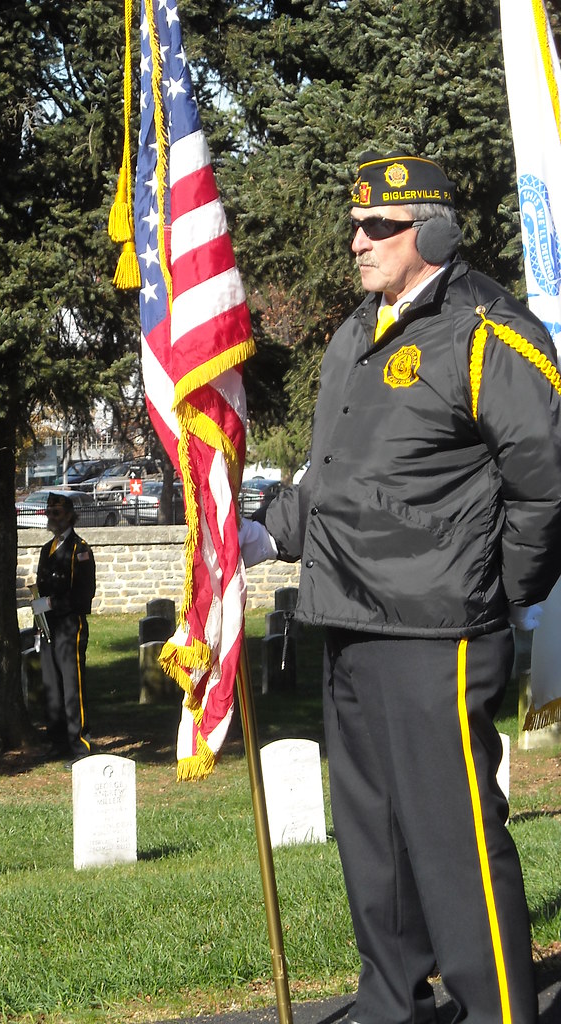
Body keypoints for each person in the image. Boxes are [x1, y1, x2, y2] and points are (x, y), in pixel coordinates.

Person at [240, 152, 561, 1024]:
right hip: (346, 618)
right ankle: (393, 1002)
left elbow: (545, 480)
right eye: (355, 224)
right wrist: (269, 531)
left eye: (379, 226)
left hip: (439, 631)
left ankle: (497, 1007)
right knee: (374, 840)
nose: (358, 240)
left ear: (436, 231)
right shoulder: (358, 332)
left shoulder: (489, 330)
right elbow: (336, 477)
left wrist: (501, 589)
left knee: (452, 838)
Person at [34, 493, 96, 765]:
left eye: (56, 513)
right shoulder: (46, 549)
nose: (51, 518)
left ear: (69, 515)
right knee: (52, 685)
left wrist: (51, 602)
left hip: (71, 624)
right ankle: (57, 740)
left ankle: (80, 744)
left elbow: (84, 595)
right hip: (49, 625)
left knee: (72, 685)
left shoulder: (79, 549)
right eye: (49, 513)